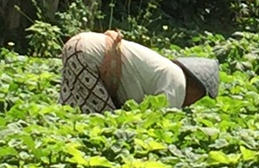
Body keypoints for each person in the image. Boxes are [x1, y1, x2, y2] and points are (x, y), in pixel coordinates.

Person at [57, 29, 218, 113]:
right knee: (97, 120)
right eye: (201, 99)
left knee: (74, 112)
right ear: (197, 89)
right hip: (87, 53)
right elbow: (157, 121)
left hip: (78, 45)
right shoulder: (177, 83)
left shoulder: (167, 70)